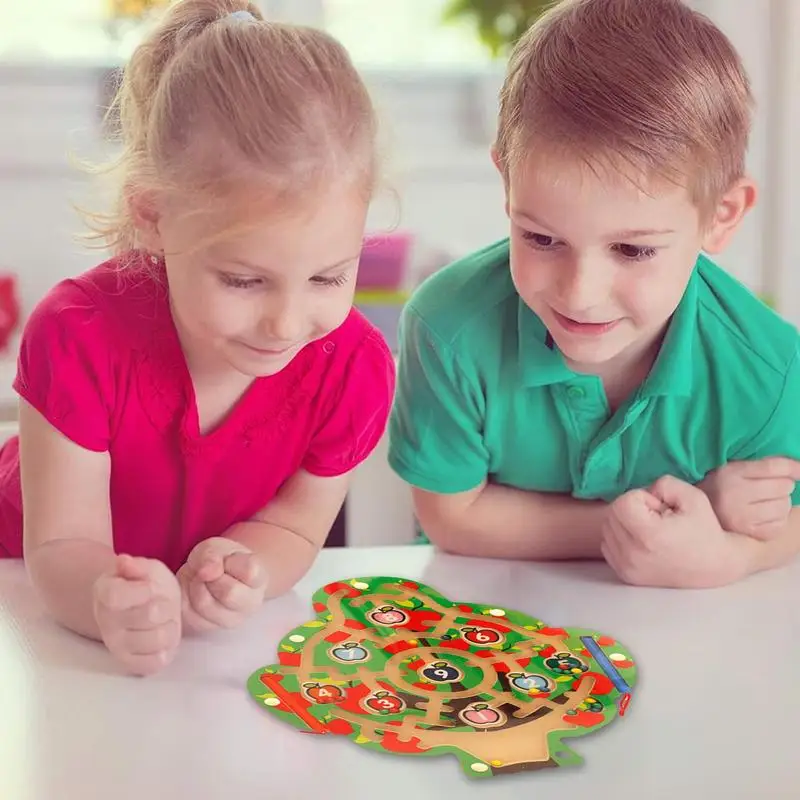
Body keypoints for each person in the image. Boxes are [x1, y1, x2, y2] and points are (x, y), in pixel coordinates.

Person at [0, 0, 395, 675]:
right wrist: (104, 599)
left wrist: (248, 569)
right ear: (153, 217)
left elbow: (296, 526)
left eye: (329, 277)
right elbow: (61, 544)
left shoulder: (353, 368)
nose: (286, 322)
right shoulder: (78, 336)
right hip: (29, 611)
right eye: (244, 280)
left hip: (193, 661)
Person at [388, 0, 800, 590]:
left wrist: (730, 557)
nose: (579, 295)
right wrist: (671, 517)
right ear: (507, 184)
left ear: (721, 215)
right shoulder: (447, 327)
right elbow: (453, 517)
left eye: (632, 250)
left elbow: (792, 515)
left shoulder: (767, 365)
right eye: (542, 237)